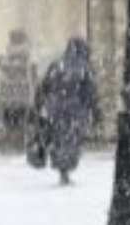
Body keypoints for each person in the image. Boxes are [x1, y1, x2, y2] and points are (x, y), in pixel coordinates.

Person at [33, 37, 100, 187]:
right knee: (71, 141)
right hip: (75, 111)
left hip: (55, 110)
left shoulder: (56, 64)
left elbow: (43, 86)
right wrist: (93, 110)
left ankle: (62, 170)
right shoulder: (84, 68)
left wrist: (42, 105)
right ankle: (66, 171)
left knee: (58, 139)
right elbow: (90, 92)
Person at [0, 29, 36, 142]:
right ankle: (20, 138)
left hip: (9, 97)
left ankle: (11, 138)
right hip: (23, 97)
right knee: (22, 122)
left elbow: (3, 66)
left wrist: (1, 62)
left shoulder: (9, 55)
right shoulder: (27, 55)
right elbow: (32, 76)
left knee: (10, 123)